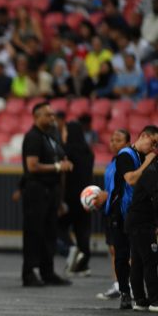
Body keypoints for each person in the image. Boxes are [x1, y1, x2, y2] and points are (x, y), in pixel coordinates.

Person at [101, 125, 158, 308]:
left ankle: (138, 296)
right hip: (120, 211)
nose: (154, 148)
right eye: (153, 142)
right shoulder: (125, 155)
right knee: (122, 253)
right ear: (143, 136)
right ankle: (125, 292)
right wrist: (148, 161)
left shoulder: (144, 157)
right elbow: (131, 179)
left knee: (138, 257)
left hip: (136, 212)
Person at [21, 102, 73, 287]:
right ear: (37, 117)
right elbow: (32, 166)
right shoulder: (33, 137)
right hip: (37, 190)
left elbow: (60, 157)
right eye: (48, 115)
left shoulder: (51, 136)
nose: (52, 118)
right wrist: (58, 166)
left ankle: (47, 271)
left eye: (53, 115)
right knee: (34, 233)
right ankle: (29, 273)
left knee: (50, 233)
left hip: (51, 191)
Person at [58, 115, 95, 276]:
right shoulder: (89, 153)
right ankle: (83, 265)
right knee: (83, 231)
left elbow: (63, 175)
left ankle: (70, 248)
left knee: (57, 226)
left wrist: (60, 199)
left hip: (69, 196)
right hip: (86, 197)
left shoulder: (66, 151)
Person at [97, 129, 130, 300]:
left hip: (122, 210)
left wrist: (108, 196)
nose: (113, 143)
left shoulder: (127, 162)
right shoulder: (112, 162)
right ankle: (118, 283)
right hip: (110, 210)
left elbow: (125, 189)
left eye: (118, 140)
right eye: (111, 139)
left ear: (127, 144)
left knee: (122, 249)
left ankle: (126, 284)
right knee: (113, 249)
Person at [124, 144, 158, 312]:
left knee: (137, 261)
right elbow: (156, 198)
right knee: (150, 260)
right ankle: (155, 300)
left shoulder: (150, 170)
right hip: (143, 222)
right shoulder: (153, 172)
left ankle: (140, 299)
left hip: (136, 221)